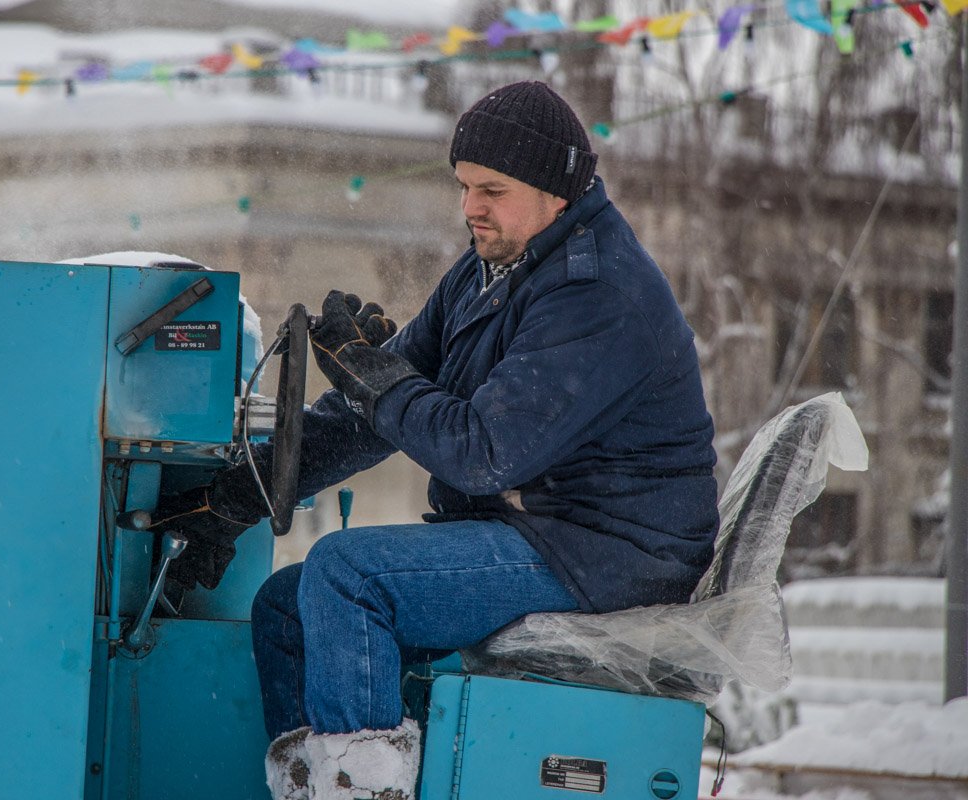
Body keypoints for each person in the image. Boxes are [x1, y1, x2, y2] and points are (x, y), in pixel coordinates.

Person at [153, 81, 719, 800]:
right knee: (287, 608)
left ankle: (363, 791)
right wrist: (236, 496)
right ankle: (315, 788)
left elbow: (483, 454)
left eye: (492, 190)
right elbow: (378, 408)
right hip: (542, 532)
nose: (470, 208)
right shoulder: (494, 268)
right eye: (463, 187)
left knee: (349, 575)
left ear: (557, 193)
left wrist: (377, 377)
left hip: (609, 551)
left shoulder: (596, 292)